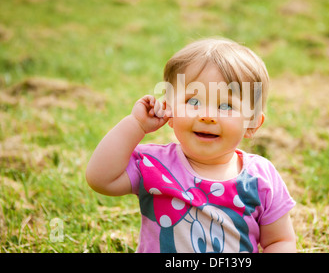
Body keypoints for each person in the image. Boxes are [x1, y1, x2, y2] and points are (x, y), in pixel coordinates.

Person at [86, 37, 297, 253]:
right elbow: (101, 178)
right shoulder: (155, 165)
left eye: (226, 105)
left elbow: (279, 241)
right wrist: (136, 125)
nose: (207, 116)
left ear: (252, 123)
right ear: (170, 111)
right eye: (193, 102)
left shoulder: (261, 178)